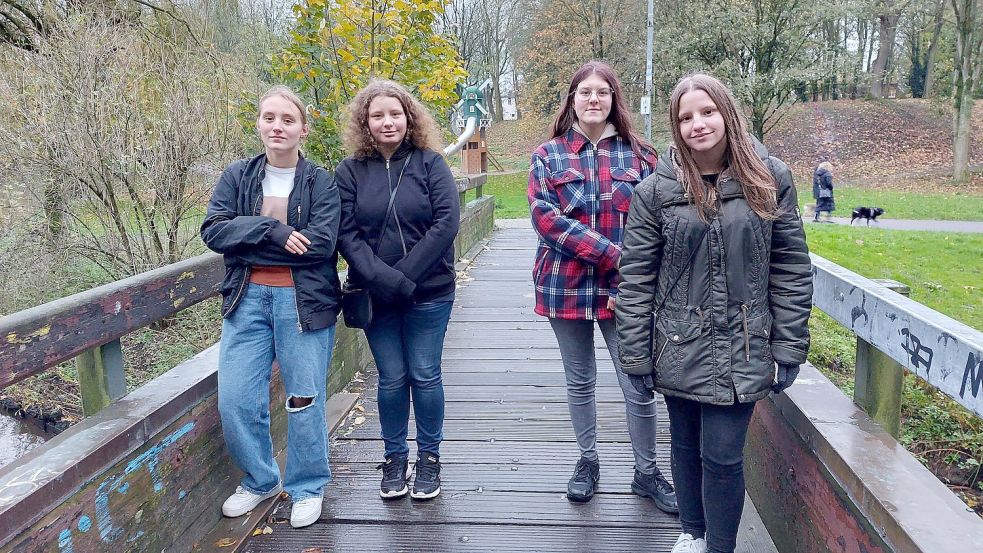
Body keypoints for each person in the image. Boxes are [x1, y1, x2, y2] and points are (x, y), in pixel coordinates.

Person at [616, 73, 812, 553]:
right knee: (684, 445)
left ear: (726, 112)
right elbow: (637, 277)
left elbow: (789, 266)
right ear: (674, 126)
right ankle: (693, 532)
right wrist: (635, 356)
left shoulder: (770, 178)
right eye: (685, 117)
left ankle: (720, 545)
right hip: (679, 341)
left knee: (722, 454)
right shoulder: (657, 190)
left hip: (744, 343)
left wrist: (788, 345)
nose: (697, 124)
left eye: (707, 112)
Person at [528, 60, 677, 513]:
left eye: (603, 92)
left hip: (627, 293)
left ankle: (646, 471)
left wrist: (626, 274)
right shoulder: (547, 155)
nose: (594, 100)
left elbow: (658, 225)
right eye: (585, 92)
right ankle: (587, 460)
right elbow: (546, 220)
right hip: (564, 286)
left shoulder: (643, 156)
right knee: (579, 380)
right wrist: (615, 255)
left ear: (615, 99)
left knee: (638, 380)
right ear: (571, 99)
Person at [201, 85, 341, 529]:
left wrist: (248, 243)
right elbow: (213, 231)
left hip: (303, 302)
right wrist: (273, 231)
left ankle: (307, 486)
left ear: (303, 127)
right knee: (236, 399)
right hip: (246, 300)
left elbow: (320, 247)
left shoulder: (321, 182)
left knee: (304, 398)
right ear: (258, 124)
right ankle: (260, 479)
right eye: (269, 118)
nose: (277, 126)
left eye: (287, 119)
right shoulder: (238, 176)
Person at [336, 79, 460, 501]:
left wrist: (404, 277)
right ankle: (394, 457)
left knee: (425, 374)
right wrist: (385, 280)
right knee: (391, 378)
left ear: (409, 118)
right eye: (377, 115)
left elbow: (446, 223)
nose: (387, 122)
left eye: (395, 114)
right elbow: (346, 233)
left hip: (430, 292)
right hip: (375, 294)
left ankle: (429, 458)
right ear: (365, 123)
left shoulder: (430, 163)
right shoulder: (349, 171)